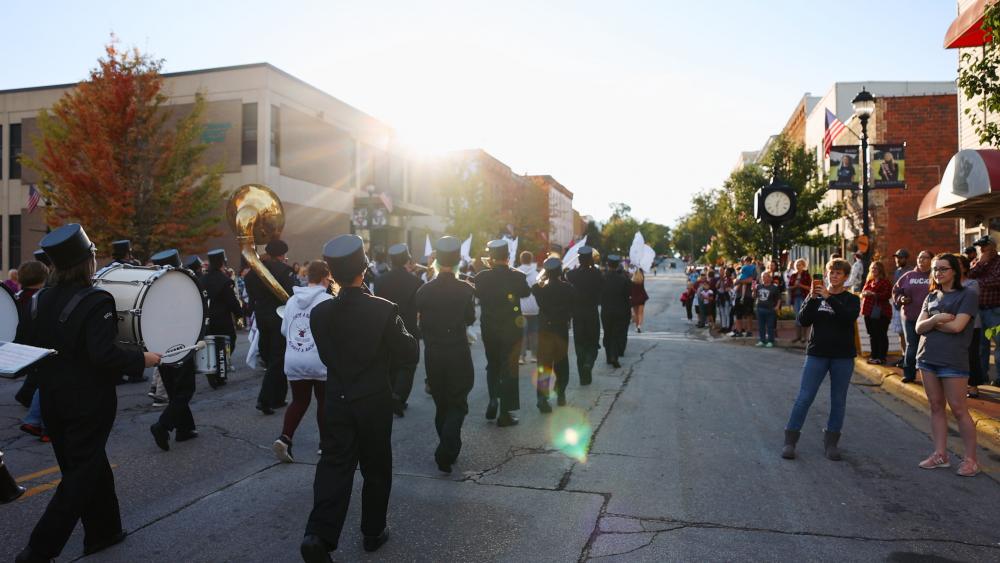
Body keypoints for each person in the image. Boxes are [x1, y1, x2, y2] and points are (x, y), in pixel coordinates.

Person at [14, 224, 160, 562]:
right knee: (80, 474)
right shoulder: (97, 299)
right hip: (87, 400)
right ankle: (38, 550)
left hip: (51, 397)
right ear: (87, 261)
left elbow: (24, 345)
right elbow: (104, 356)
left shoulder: (38, 299)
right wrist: (142, 359)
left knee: (85, 464)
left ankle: (104, 531)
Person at [300, 234, 417, 562]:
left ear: (331, 274)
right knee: (376, 467)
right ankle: (372, 531)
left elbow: (326, 357)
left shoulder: (320, 313)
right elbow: (409, 351)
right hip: (373, 399)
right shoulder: (383, 309)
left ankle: (318, 535)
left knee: (334, 465)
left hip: (337, 397)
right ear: (363, 270)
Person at [781, 258, 860, 462]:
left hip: (842, 356)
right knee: (804, 397)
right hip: (817, 353)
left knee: (838, 400)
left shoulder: (851, 299)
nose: (833, 276)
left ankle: (831, 443)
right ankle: (790, 440)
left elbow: (847, 317)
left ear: (845, 277)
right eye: (831, 272)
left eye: (838, 273)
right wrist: (813, 299)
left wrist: (828, 297)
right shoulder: (816, 297)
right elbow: (802, 320)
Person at [415, 236, 476, 473]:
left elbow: (420, 320)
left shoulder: (424, 290)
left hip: (433, 353)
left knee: (441, 402)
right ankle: (446, 450)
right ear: (458, 260)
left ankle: (448, 445)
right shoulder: (465, 289)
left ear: (437, 260)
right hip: (458, 351)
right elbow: (470, 318)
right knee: (458, 403)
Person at [915, 253, 980, 477]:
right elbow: (918, 328)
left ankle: (971, 460)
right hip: (926, 358)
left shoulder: (968, 295)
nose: (938, 273)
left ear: (955, 271)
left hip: (952, 360)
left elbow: (957, 327)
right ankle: (940, 454)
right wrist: (936, 320)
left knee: (959, 409)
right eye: (935, 269)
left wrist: (930, 324)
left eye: (943, 268)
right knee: (935, 406)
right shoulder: (931, 296)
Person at [273, 260, 334, 463]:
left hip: (294, 358)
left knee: (299, 401)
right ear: (326, 277)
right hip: (319, 359)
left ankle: (285, 438)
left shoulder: (291, 301)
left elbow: (284, 330)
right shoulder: (327, 300)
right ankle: (325, 445)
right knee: (324, 401)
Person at [473, 240, 531, 426]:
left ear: (491, 257)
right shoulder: (518, 276)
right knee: (509, 367)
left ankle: (493, 399)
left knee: (493, 364)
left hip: (489, 328)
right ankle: (505, 413)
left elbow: (479, 294)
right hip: (511, 330)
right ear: (507, 257)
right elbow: (526, 293)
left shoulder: (481, 277)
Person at [148, 249, 201, 451]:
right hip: (180, 342)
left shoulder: (151, 287)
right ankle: (163, 426)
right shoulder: (184, 287)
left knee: (173, 389)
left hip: (158, 344)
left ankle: (185, 429)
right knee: (185, 389)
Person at [244, 239, 297, 414]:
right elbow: (293, 294)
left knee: (269, 355)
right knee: (278, 358)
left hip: (261, 316)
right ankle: (265, 399)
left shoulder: (254, 271)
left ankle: (278, 397)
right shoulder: (284, 270)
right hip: (279, 316)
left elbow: (250, 295)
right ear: (282, 255)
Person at [373, 244, 424, 417]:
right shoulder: (416, 281)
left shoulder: (380, 281)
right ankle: (399, 396)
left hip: (386, 326)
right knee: (408, 363)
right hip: (408, 327)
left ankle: (391, 395)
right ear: (407, 259)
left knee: (391, 363)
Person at [532, 257, 575, 412]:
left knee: (544, 365)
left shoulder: (539, 289)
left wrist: (544, 276)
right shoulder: (569, 288)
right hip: (561, 330)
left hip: (544, 330)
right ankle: (561, 393)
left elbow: (535, 286)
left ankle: (542, 399)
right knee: (561, 363)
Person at [15, 261, 50, 443]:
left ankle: (34, 420)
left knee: (41, 385)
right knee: (49, 386)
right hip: (39, 348)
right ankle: (46, 428)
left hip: (22, 347)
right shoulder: (41, 298)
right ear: (44, 277)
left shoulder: (17, 297)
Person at [894, 251, 933, 383]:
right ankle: (909, 374)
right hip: (909, 317)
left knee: (929, 347)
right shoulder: (908, 276)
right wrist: (901, 298)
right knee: (912, 345)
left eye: (925, 258)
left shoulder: (935, 275)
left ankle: (930, 376)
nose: (921, 260)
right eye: (919, 257)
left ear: (932, 260)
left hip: (930, 319)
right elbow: (896, 291)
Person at [566, 246, 603, 385]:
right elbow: (601, 291)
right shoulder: (597, 274)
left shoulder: (571, 274)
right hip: (592, 313)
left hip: (577, 314)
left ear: (579, 259)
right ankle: (589, 363)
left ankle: (583, 377)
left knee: (580, 345)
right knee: (592, 343)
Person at [968, 236, 1000, 387]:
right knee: (981, 345)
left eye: (984, 247)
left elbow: (996, 281)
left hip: (995, 310)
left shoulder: (999, 262)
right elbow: (967, 277)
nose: (982, 250)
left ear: (992, 247)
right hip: (978, 310)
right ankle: (981, 375)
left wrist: (976, 283)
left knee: (999, 344)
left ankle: (999, 378)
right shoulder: (977, 262)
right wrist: (981, 263)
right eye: (980, 247)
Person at [203, 249, 243, 356]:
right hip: (223, 320)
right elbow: (231, 301)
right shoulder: (224, 281)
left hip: (207, 320)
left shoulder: (202, 279)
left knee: (212, 345)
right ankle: (224, 362)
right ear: (222, 262)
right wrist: (239, 314)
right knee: (228, 342)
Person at [957, 255, 986, 398]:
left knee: (971, 356)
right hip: (953, 325)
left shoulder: (972, 283)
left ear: (965, 268)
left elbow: (968, 301)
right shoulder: (948, 283)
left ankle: (973, 386)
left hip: (971, 326)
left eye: (958, 265)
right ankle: (961, 385)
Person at [600, 254, 631, 368]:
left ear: (608, 264)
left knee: (607, 333)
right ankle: (614, 356)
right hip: (620, 310)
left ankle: (609, 356)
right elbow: (628, 294)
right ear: (618, 265)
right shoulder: (623, 279)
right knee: (616, 334)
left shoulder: (602, 278)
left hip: (606, 310)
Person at [861, 260, 893, 365]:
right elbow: (862, 293)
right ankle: (874, 356)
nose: (873, 270)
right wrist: (864, 294)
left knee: (881, 335)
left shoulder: (885, 282)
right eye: (872, 268)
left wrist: (873, 294)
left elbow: (887, 295)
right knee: (872, 334)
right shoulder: (869, 281)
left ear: (880, 269)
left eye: (875, 268)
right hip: (868, 312)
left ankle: (881, 357)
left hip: (881, 312)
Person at [515, 250, 540, 364]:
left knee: (521, 334)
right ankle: (534, 356)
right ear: (531, 260)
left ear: (521, 260)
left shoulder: (516, 273)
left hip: (521, 308)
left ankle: (521, 357)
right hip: (535, 308)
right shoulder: (536, 274)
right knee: (534, 332)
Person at [890, 249, 912, 366]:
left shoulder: (910, 271)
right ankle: (904, 356)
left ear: (906, 258)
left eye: (900, 257)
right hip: (898, 305)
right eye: (896, 257)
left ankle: (909, 358)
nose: (897, 260)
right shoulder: (897, 271)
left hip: (908, 307)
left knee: (908, 334)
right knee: (900, 333)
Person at [729, 256, 756, 338]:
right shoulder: (741, 269)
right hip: (738, 295)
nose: (746, 262)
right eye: (744, 260)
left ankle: (749, 331)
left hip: (748, 295)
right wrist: (738, 281)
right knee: (738, 314)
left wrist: (739, 281)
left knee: (749, 314)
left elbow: (751, 280)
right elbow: (734, 281)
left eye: (748, 260)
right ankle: (739, 331)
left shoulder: (753, 269)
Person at [754, 272, 781, 347]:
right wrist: (753, 290)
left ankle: (770, 341)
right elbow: (755, 296)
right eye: (762, 277)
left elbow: (779, 298)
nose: (764, 278)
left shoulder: (774, 287)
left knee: (770, 326)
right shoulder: (758, 286)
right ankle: (762, 340)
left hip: (770, 310)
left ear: (770, 278)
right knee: (761, 326)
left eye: (765, 277)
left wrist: (777, 306)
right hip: (760, 308)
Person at [788, 259, 812, 343]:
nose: (798, 266)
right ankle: (797, 336)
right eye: (797, 265)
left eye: (800, 265)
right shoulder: (793, 275)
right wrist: (794, 286)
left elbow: (810, 287)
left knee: (804, 316)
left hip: (804, 298)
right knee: (797, 317)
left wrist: (800, 285)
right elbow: (789, 287)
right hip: (795, 298)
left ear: (803, 265)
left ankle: (804, 337)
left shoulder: (807, 275)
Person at [630, 268, 649, 332]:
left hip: (634, 298)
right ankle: (639, 326)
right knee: (640, 313)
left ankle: (636, 326)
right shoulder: (642, 278)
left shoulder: (632, 280)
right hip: (641, 297)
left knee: (636, 313)